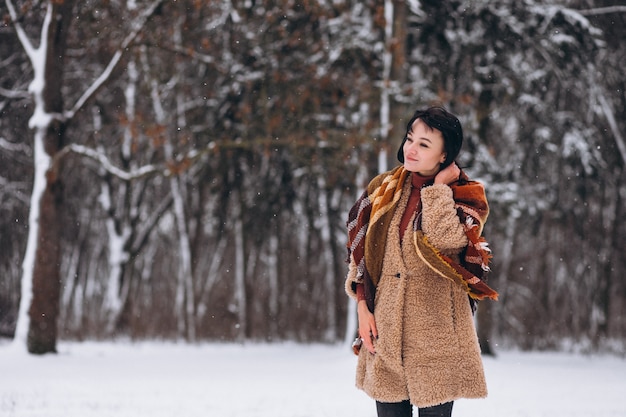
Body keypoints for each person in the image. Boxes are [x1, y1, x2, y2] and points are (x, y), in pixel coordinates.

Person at [344, 106, 498, 417]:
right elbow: (362, 257)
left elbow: (446, 240)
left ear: (445, 155)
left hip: (437, 337)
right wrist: (362, 305)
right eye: (410, 138)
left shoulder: (466, 195)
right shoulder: (383, 189)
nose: (410, 149)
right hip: (384, 331)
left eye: (424, 144)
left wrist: (439, 190)